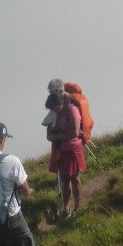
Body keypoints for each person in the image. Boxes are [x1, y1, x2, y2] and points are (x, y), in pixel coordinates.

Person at [45, 89, 85, 220]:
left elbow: (74, 133)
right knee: (64, 179)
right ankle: (66, 208)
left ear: (60, 102)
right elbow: (50, 130)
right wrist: (53, 135)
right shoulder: (57, 112)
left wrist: (57, 136)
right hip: (61, 150)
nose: (54, 110)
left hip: (73, 149)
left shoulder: (73, 110)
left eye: (54, 108)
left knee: (74, 177)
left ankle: (78, 206)